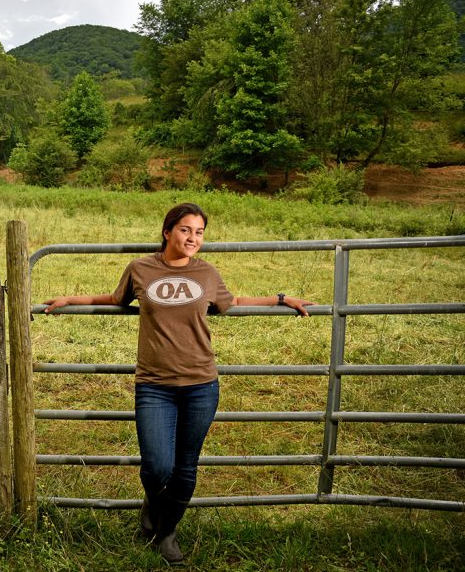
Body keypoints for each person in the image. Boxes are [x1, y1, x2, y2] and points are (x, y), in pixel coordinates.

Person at [43, 202, 314, 566]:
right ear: (168, 231)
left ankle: (165, 532)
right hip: (154, 385)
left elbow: (232, 301)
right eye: (186, 230)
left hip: (201, 384)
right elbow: (112, 299)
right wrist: (70, 299)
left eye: (199, 232)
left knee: (186, 466)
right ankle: (154, 502)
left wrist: (281, 299)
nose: (193, 238)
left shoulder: (206, 273)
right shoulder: (141, 269)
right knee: (157, 466)